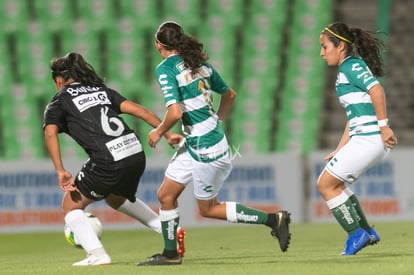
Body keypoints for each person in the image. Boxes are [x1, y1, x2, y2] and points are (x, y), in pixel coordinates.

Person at [137, 21, 291, 266]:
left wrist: (159, 131)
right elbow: (230, 94)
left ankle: (274, 220)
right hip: (200, 140)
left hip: (205, 145)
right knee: (166, 195)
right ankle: (170, 254)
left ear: (158, 45)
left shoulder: (166, 68)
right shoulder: (200, 65)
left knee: (208, 209)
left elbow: (175, 112)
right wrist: (217, 119)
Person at [43, 52, 186, 266]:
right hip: (134, 152)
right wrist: (166, 134)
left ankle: (97, 255)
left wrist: (60, 170)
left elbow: (50, 133)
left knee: (70, 207)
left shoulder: (59, 100)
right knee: (115, 198)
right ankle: (167, 228)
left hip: (109, 159)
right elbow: (141, 111)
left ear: (59, 80)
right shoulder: (101, 91)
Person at [318, 22, 398, 256]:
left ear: (340, 46)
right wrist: (340, 149)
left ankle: (356, 234)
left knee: (324, 185)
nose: (322, 53)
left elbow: (377, 90)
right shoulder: (347, 68)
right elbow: (353, 117)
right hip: (365, 138)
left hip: (370, 138)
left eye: (324, 47)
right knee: (337, 185)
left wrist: (384, 127)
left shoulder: (351, 66)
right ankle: (367, 232)